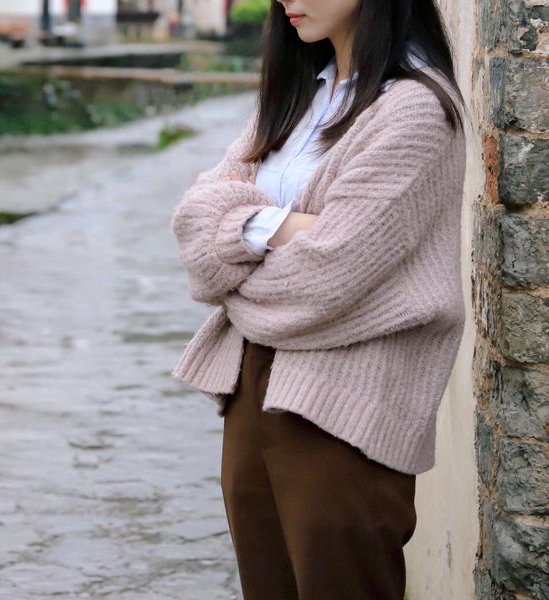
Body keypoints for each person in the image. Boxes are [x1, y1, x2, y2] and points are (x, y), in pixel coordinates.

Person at [168, 0, 470, 598]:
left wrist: (241, 252)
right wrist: (286, 227)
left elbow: (327, 276)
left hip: (347, 402)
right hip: (250, 383)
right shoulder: (299, 98)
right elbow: (192, 226)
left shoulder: (413, 109)